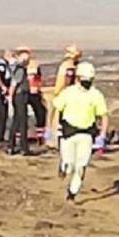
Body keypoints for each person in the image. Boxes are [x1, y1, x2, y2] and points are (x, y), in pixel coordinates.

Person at [48, 62, 109, 202]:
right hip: (68, 133)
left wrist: (102, 135)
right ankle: (64, 167)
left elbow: (103, 115)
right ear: (78, 78)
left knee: (81, 165)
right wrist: (53, 129)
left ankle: (72, 193)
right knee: (69, 164)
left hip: (86, 134)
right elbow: (57, 110)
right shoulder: (68, 93)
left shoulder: (96, 95)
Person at [7, 46, 33, 156]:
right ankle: (23, 147)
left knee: (17, 121)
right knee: (22, 122)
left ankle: (12, 146)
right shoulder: (20, 69)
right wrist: (10, 96)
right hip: (20, 96)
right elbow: (14, 83)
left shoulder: (18, 67)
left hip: (19, 96)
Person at [0, 50, 14, 143]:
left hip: (2, 90)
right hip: (1, 91)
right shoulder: (2, 64)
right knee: (1, 113)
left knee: (2, 113)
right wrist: (3, 87)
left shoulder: (5, 64)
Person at [26, 56, 48, 143]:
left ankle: (40, 135)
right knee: (22, 114)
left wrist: (39, 90)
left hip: (35, 92)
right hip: (26, 92)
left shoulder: (34, 66)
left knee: (41, 112)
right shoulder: (21, 66)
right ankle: (23, 134)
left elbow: (38, 80)